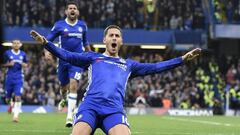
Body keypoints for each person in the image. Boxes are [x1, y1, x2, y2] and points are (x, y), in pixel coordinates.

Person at [30, 25, 201, 135]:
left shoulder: (129, 65)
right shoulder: (92, 58)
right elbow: (67, 55)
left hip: (113, 110)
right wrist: (46, 43)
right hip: (90, 107)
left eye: (117, 36)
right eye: (110, 35)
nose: (113, 38)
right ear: (104, 40)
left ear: (121, 41)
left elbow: (155, 67)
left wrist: (181, 59)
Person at [45, 1, 91, 127]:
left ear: (77, 12)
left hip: (77, 60)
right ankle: (64, 98)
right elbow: (48, 40)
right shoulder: (59, 25)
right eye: (70, 8)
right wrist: (47, 52)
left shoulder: (82, 26)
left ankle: (70, 116)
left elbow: (86, 43)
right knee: (63, 87)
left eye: (74, 8)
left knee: (74, 85)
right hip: (63, 60)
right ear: (66, 11)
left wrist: (92, 56)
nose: (72, 10)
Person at [2, 40, 27, 123]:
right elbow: (2, 65)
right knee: (7, 99)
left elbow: (26, 65)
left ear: (20, 45)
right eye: (14, 43)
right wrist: (8, 65)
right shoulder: (7, 53)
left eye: (17, 43)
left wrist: (24, 65)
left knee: (18, 97)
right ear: (12, 45)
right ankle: (11, 104)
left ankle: (15, 116)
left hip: (19, 78)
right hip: (9, 78)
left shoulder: (23, 54)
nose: (16, 45)